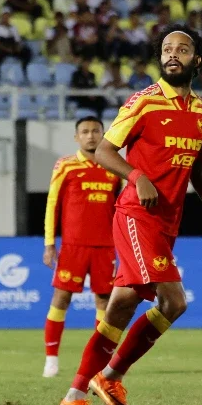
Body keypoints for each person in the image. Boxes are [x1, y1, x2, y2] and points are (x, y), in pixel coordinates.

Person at [56, 27, 202, 405]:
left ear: (197, 60)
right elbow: (104, 151)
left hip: (167, 224)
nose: (173, 54)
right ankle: (109, 375)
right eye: (166, 49)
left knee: (122, 305)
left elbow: (200, 174)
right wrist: (136, 176)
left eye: (182, 49)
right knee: (174, 300)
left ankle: (75, 396)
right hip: (135, 215)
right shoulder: (143, 102)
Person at [42, 116, 119, 379]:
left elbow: (121, 206)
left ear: (103, 134)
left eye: (95, 131)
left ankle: (98, 363)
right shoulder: (65, 165)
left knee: (104, 303)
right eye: (84, 132)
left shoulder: (113, 166)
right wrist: (49, 243)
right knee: (61, 299)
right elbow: (53, 204)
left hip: (105, 247)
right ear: (77, 137)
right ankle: (51, 359)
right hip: (73, 246)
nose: (90, 136)